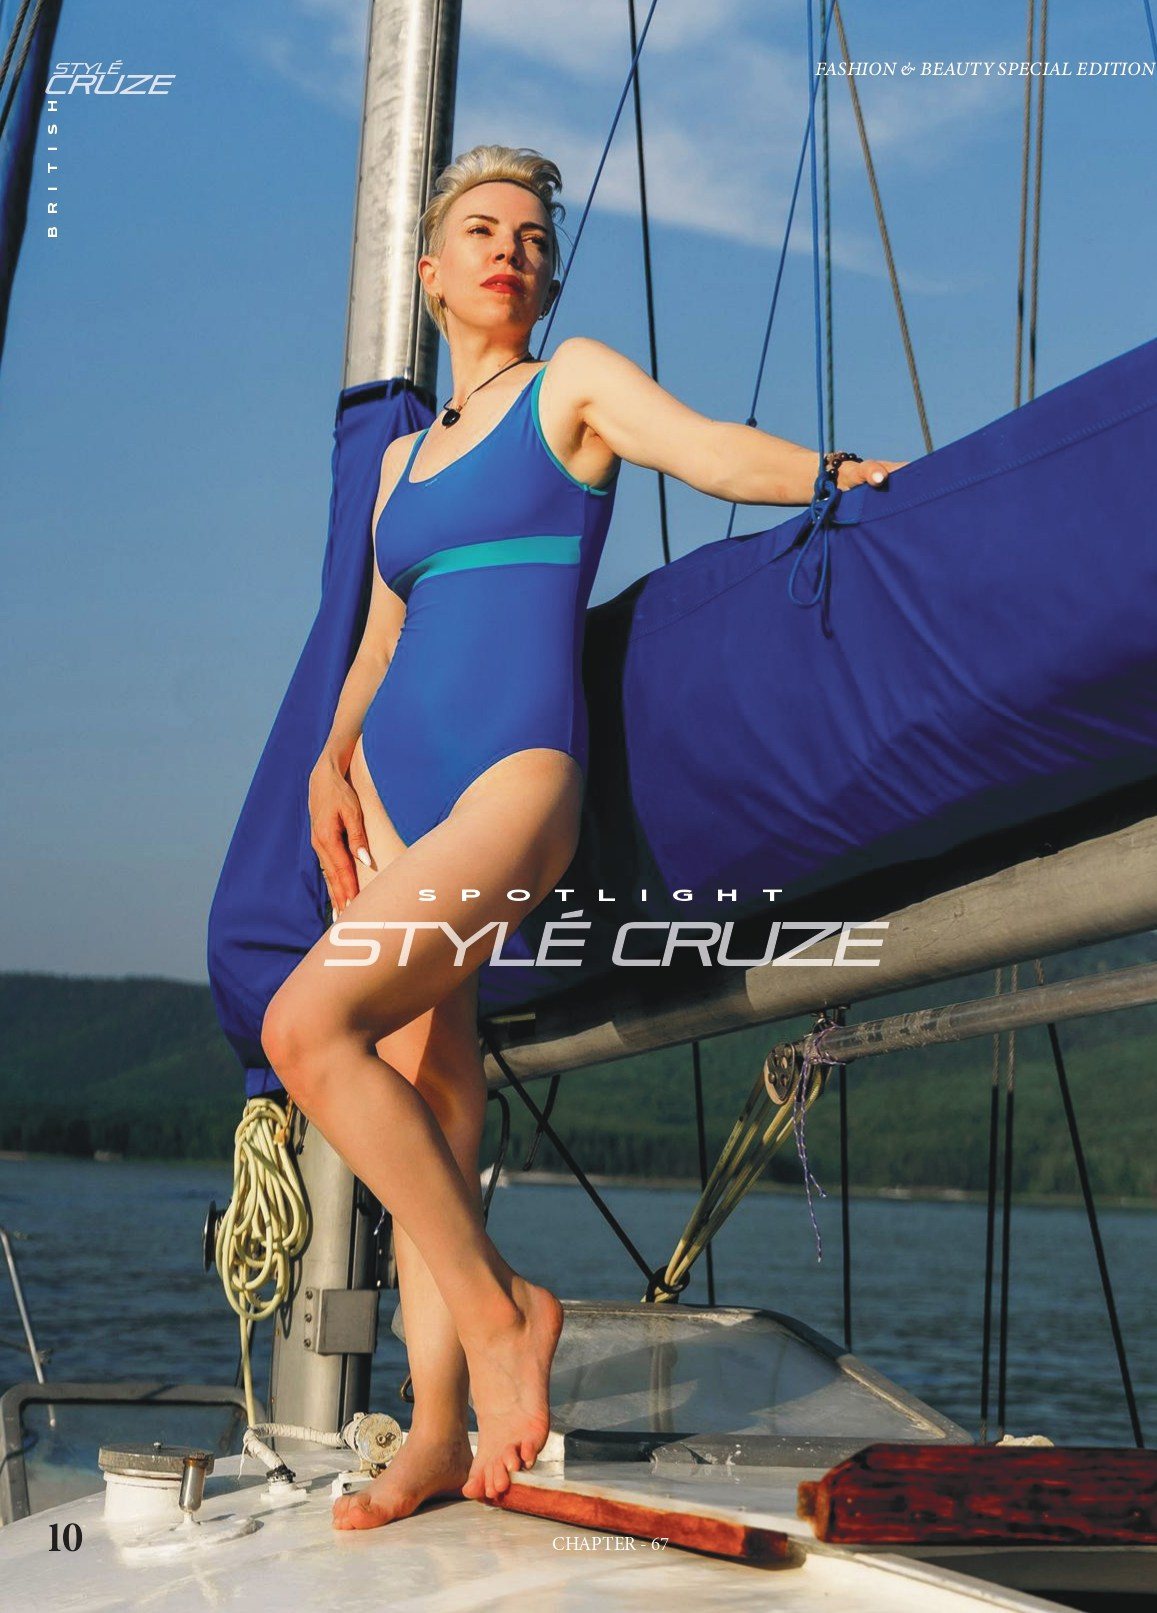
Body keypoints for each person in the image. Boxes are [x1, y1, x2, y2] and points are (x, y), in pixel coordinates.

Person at [260, 144, 902, 1530]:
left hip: (513, 783)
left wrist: (834, 470)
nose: (512, 250)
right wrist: (326, 759)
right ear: (430, 275)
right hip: (395, 798)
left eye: (535, 239)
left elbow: (708, 449)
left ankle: (506, 1314)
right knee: (430, 1101)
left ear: (547, 281)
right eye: (484, 231)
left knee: (307, 1029)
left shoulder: (573, 386)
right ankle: (436, 1430)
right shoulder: (399, 462)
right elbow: (380, 639)